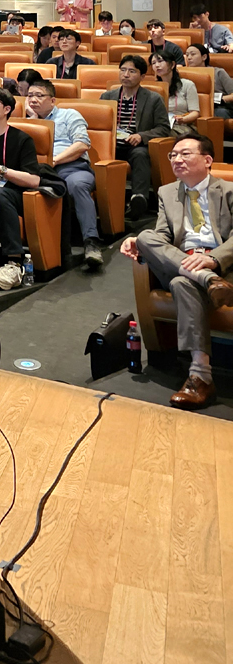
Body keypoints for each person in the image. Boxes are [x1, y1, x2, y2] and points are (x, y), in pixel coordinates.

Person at [120, 133, 233, 408]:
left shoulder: (229, 190)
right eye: (173, 155)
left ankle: (200, 377)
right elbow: (162, 235)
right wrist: (139, 242)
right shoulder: (166, 192)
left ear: (207, 160)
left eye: (185, 154)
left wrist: (213, 260)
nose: (176, 159)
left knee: (182, 283)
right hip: (183, 261)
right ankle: (207, 280)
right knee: (145, 236)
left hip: (220, 266)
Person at [25, 80, 103, 269]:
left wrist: (54, 160)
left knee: (77, 185)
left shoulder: (69, 115)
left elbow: (82, 144)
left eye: (39, 95)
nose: (33, 100)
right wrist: (34, 121)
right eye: (30, 96)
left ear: (52, 100)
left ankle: (91, 243)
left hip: (72, 168)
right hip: (40, 172)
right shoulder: (26, 122)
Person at [0, 87, 42, 290]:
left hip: (16, 194)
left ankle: (13, 264)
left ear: (7, 109)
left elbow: (34, 180)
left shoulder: (21, 139)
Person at [100, 55, 172, 220]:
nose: (126, 75)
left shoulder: (153, 99)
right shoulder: (107, 97)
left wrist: (141, 135)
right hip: (111, 145)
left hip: (135, 145)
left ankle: (138, 199)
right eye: (123, 70)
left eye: (132, 71)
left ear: (142, 76)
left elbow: (163, 128)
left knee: (140, 155)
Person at [150, 52, 199, 131]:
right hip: (158, 126)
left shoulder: (187, 85)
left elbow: (195, 113)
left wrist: (183, 119)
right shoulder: (153, 88)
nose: (157, 65)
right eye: (153, 63)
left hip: (181, 126)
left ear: (172, 64)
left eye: (160, 61)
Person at [186, 44, 233, 122]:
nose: (189, 57)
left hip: (218, 107)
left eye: (193, 54)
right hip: (193, 107)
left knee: (219, 113)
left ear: (204, 57)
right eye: (187, 55)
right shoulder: (185, 74)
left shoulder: (218, 72)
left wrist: (218, 100)